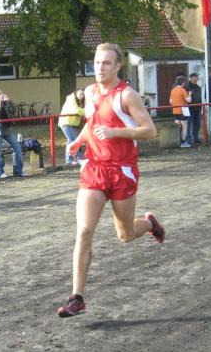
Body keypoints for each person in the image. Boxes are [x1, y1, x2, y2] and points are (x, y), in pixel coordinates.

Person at [57, 42, 165, 317]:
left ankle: (149, 223)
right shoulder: (90, 93)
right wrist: (79, 140)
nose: (100, 68)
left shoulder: (127, 95)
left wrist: (116, 133)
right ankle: (76, 297)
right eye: (96, 62)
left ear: (118, 66)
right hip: (94, 168)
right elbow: (93, 124)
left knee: (125, 235)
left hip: (122, 170)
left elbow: (150, 130)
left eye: (106, 63)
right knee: (84, 231)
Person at [0, 88, 26, 177]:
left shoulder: (5, 103)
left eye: (0, 94)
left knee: (17, 147)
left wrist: (9, 101)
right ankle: (0, 172)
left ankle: (18, 171)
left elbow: (13, 110)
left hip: (6, 129)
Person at [59, 89, 86, 165]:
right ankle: (80, 158)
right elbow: (75, 110)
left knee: (70, 142)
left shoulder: (81, 101)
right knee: (74, 140)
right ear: (76, 93)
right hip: (66, 123)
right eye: (80, 94)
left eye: (83, 94)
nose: (82, 96)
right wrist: (87, 111)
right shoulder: (71, 98)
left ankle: (69, 160)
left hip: (72, 123)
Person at [169, 75, 191, 148]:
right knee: (184, 126)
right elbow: (189, 100)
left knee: (178, 126)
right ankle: (183, 142)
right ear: (183, 83)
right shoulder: (183, 90)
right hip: (183, 110)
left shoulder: (173, 90)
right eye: (184, 82)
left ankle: (177, 141)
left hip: (175, 110)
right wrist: (190, 95)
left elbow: (170, 101)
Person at [186, 72, 203, 145]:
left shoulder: (198, 87)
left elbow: (199, 97)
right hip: (190, 108)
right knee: (188, 124)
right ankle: (188, 139)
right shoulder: (187, 87)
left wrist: (201, 106)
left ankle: (196, 138)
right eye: (196, 77)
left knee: (197, 124)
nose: (197, 78)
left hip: (197, 109)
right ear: (192, 78)